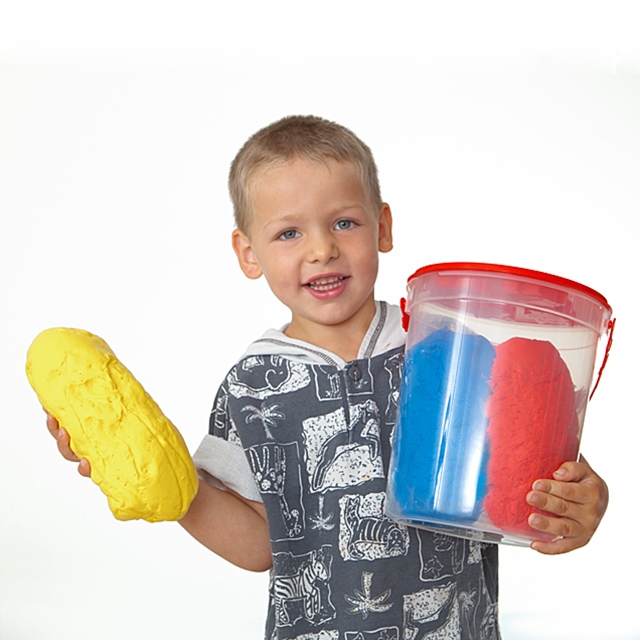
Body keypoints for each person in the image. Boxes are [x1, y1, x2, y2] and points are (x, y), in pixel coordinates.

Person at [48, 115, 609, 639]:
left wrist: (578, 503)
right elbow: (259, 546)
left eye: (345, 222)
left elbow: (520, 479)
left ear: (383, 226)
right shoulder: (252, 385)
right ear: (248, 253)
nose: (322, 249)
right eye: (288, 234)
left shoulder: (445, 351)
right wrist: (164, 482)